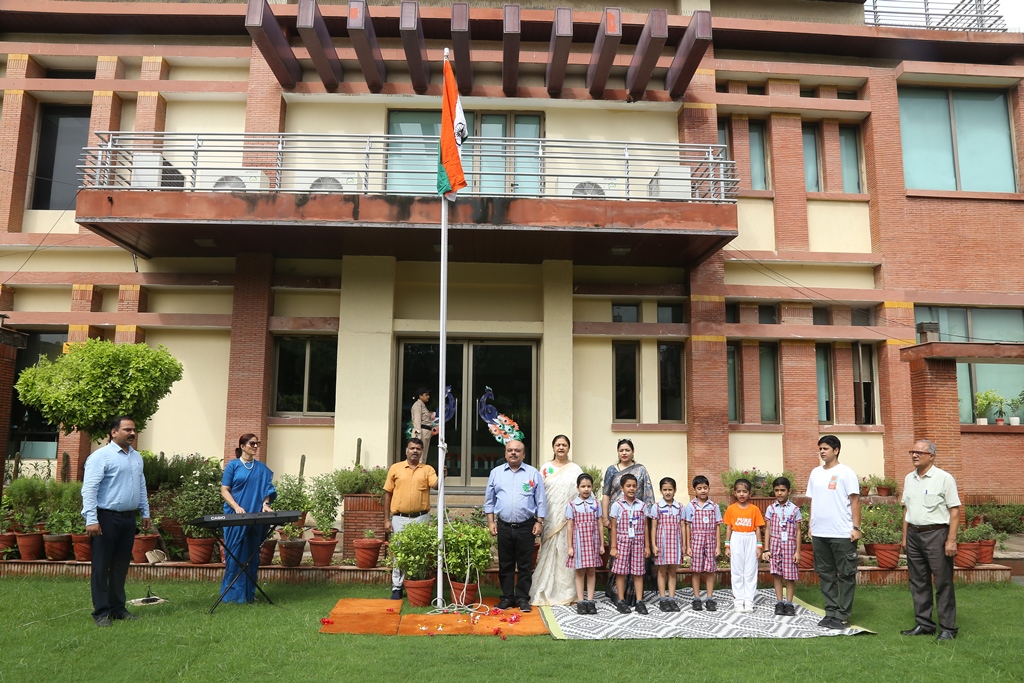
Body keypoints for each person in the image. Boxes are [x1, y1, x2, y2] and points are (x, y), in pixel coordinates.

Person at [81, 416, 150, 627]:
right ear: (113, 432)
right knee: (102, 567)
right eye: (127, 429)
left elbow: (141, 486)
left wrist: (145, 512)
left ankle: (118, 608)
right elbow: (89, 489)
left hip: (128, 519)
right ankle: (101, 612)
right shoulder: (100, 457)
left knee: (120, 566)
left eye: (134, 430)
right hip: (105, 518)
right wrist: (91, 519)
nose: (132, 433)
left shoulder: (137, 457)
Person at [900, 439, 961, 641]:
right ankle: (924, 624)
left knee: (943, 582)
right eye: (912, 452)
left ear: (931, 456)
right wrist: (904, 537)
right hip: (914, 535)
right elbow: (906, 510)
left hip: (937, 535)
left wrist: (951, 540)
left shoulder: (944, 478)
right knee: (918, 581)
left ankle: (948, 629)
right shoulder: (909, 479)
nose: (914, 455)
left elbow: (954, 511)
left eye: (919, 452)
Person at [807, 434, 862, 630]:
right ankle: (830, 611)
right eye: (820, 448)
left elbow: (855, 501)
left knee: (846, 574)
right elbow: (813, 501)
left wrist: (856, 528)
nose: (822, 452)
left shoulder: (846, 472)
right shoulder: (815, 473)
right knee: (825, 574)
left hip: (842, 533)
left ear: (836, 450)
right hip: (820, 533)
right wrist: (811, 525)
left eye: (825, 448)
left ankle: (843, 614)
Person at [484, 439, 546, 611]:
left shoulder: (533, 473)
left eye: (517, 451)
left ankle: (522, 598)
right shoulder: (496, 473)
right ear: (505, 454)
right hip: (503, 526)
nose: (513, 453)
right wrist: (491, 522)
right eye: (510, 450)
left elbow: (540, 500)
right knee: (505, 564)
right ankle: (506, 598)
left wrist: (539, 521)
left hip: (526, 526)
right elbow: (489, 500)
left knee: (525, 565)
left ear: (523, 454)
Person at [219, 433, 276, 604]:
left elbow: (268, 489)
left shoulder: (262, 468)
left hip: (255, 517)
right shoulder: (233, 466)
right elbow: (224, 490)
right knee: (235, 554)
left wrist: (265, 504)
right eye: (252, 443)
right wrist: (236, 507)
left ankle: (249, 595)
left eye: (257, 443)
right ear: (242, 446)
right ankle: (232, 596)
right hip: (235, 517)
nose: (255, 446)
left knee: (252, 555)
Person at [383, 438, 439, 600]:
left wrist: (443, 475)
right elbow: (388, 494)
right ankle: (397, 587)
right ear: (406, 451)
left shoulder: (427, 469)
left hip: (420, 518)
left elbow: (436, 485)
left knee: (419, 552)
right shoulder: (396, 468)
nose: (415, 451)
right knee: (400, 553)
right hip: (399, 518)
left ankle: (416, 583)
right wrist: (386, 519)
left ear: (422, 452)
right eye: (412, 448)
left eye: (418, 449)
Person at [530, 434, 583, 606]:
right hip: (550, 518)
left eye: (564, 445)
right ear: (553, 447)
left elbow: (580, 495)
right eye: (558, 445)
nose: (561, 448)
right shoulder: (546, 469)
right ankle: (544, 589)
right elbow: (539, 493)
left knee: (566, 553)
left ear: (568, 448)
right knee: (548, 552)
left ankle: (567, 593)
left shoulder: (575, 470)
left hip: (568, 520)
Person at [609, 473, 650, 615]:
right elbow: (613, 527)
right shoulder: (617, 505)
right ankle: (621, 600)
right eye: (628, 486)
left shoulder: (642, 506)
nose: (631, 488)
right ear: (622, 488)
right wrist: (613, 546)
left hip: (638, 542)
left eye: (634, 486)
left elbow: (645, 526)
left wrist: (647, 546)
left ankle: (639, 601)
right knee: (621, 572)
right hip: (622, 542)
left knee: (638, 572)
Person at [723, 478, 765, 613]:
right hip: (736, 538)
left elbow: (758, 529)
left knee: (750, 570)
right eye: (739, 491)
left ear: (749, 493)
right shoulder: (731, 509)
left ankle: (749, 601)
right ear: (734, 493)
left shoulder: (754, 509)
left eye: (745, 491)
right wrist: (727, 546)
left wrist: (759, 546)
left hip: (750, 538)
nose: (742, 494)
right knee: (737, 570)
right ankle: (738, 601)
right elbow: (728, 528)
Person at [681, 475, 722, 611]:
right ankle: (696, 598)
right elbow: (687, 526)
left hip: (710, 541)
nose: (703, 490)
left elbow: (717, 526)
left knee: (710, 570)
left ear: (709, 488)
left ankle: (710, 598)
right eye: (699, 488)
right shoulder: (690, 506)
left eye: (705, 488)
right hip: (696, 541)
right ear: (694, 490)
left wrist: (718, 546)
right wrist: (688, 546)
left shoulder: (714, 506)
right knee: (696, 570)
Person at [565, 472, 604, 615]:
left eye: (588, 486)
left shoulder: (596, 504)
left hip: (592, 542)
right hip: (579, 543)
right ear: (578, 488)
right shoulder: (572, 505)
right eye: (583, 486)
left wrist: (601, 544)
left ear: (592, 487)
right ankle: (581, 601)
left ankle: (591, 600)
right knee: (580, 571)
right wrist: (570, 546)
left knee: (591, 570)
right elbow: (570, 526)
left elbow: (600, 524)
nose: (586, 489)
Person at [763, 476, 801, 616]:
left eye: (782, 490)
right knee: (777, 574)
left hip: (790, 546)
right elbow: (767, 529)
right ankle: (779, 602)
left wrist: (798, 551)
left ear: (788, 491)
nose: (779, 493)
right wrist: (766, 549)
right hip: (775, 545)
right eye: (777, 490)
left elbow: (798, 531)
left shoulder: (795, 509)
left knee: (790, 576)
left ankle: (789, 603)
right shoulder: (771, 509)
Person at [601, 439, 655, 527]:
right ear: (618, 452)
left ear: (633, 452)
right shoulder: (611, 470)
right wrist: (605, 518)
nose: (624, 453)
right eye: (621, 450)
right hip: (616, 516)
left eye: (627, 450)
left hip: (637, 515)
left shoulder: (641, 470)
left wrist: (648, 518)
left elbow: (648, 494)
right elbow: (606, 495)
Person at [649, 477, 683, 612]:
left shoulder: (680, 507)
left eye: (670, 489)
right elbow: (653, 527)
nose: (668, 492)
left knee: (673, 571)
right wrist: (653, 545)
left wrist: (684, 544)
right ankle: (663, 599)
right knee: (662, 571)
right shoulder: (656, 507)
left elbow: (683, 526)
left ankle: (672, 598)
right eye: (665, 490)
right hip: (662, 543)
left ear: (675, 490)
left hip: (675, 543)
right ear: (661, 491)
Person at [410, 388, 433, 456]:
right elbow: (417, 420)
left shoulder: (423, 405)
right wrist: (418, 435)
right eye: (426, 395)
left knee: (423, 454)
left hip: (426, 431)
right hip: (421, 432)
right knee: (420, 455)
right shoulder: (417, 405)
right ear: (420, 396)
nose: (428, 396)